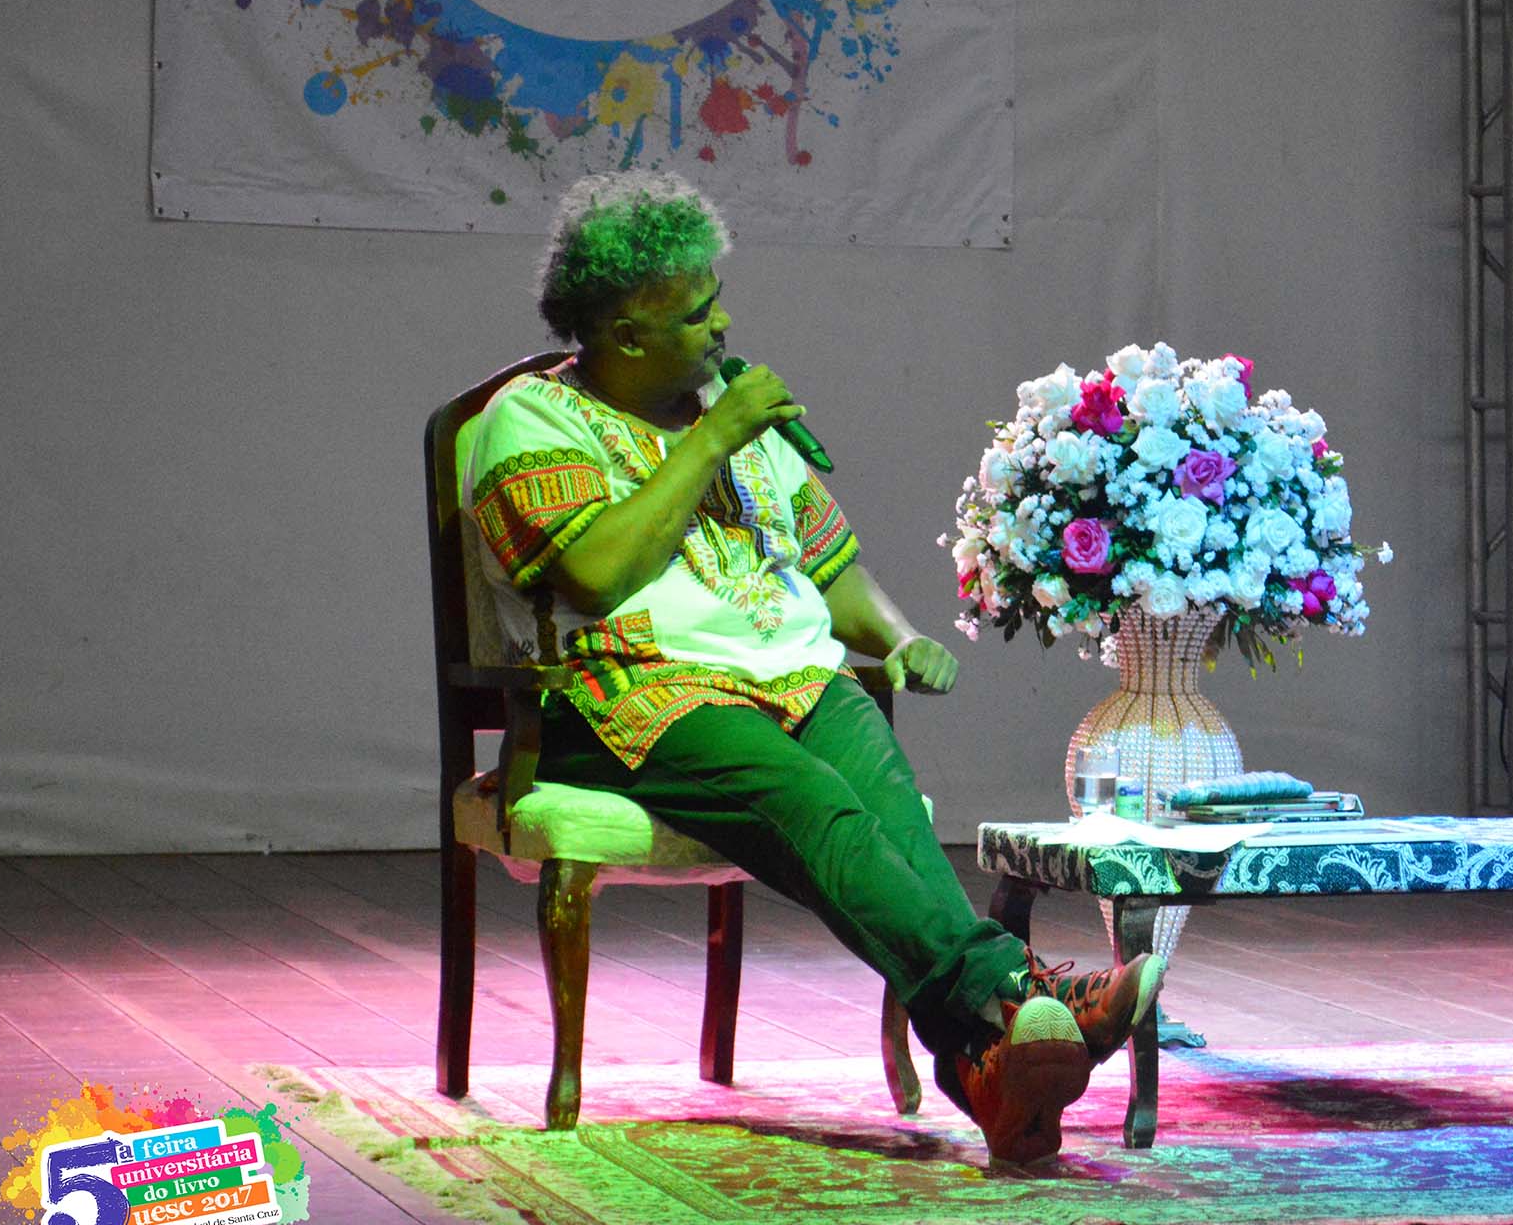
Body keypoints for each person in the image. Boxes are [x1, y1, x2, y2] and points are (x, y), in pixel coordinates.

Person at [463, 174, 1162, 1163]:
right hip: (633, 699)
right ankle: (1026, 993)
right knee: (817, 806)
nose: (721, 324)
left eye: (717, 301)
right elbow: (594, 572)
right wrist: (713, 440)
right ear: (624, 334)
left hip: (793, 681)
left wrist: (897, 636)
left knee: (885, 804)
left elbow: (829, 570)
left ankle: (990, 1062)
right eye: (695, 313)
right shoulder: (532, 421)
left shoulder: (735, 417)